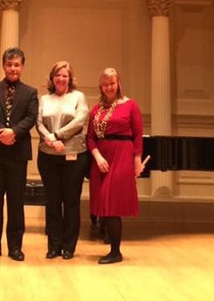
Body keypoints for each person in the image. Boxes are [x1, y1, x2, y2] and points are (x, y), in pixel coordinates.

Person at [0, 47, 39, 262]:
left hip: (18, 154)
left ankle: (15, 247)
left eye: (17, 65)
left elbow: (31, 117)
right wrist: (1, 132)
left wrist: (14, 132)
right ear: (4, 66)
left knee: (15, 202)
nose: (13, 68)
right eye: (9, 64)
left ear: (22, 67)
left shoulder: (30, 92)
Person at [87, 67, 146, 264]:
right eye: (105, 84)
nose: (109, 87)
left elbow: (138, 136)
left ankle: (115, 251)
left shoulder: (130, 105)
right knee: (104, 204)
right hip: (101, 158)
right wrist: (97, 157)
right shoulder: (96, 109)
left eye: (112, 83)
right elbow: (90, 138)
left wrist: (137, 161)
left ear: (118, 83)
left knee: (111, 203)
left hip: (122, 155)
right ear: (101, 87)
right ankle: (113, 249)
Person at [36, 61, 90, 260]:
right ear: (52, 78)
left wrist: (57, 135)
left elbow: (79, 121)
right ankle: (54, 246)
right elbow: (38, 122)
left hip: (73, 156)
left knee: (71, 202)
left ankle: (69, 246)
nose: (61, 79)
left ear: (70, 78)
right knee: (52, 202)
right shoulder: (44, 98)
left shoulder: (78, 97)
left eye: (64, 75)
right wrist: (50, 138)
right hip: (48, 155)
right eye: (57, 75)